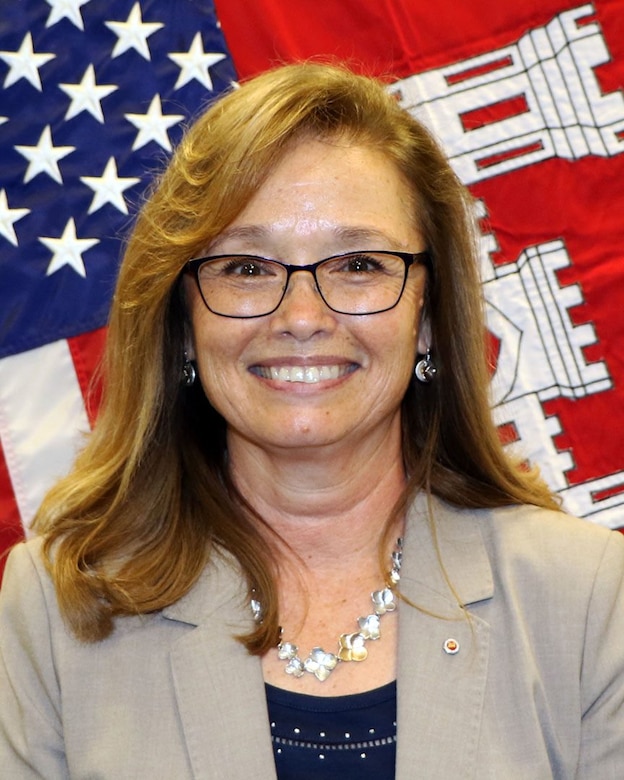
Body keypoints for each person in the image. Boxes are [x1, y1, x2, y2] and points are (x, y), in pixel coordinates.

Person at [1, 61, 623, 780]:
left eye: (358, 263)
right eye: (246, 268)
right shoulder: (60, 609)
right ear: (182, 320)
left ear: (427, 317)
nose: (302, 318)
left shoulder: (582, 596)